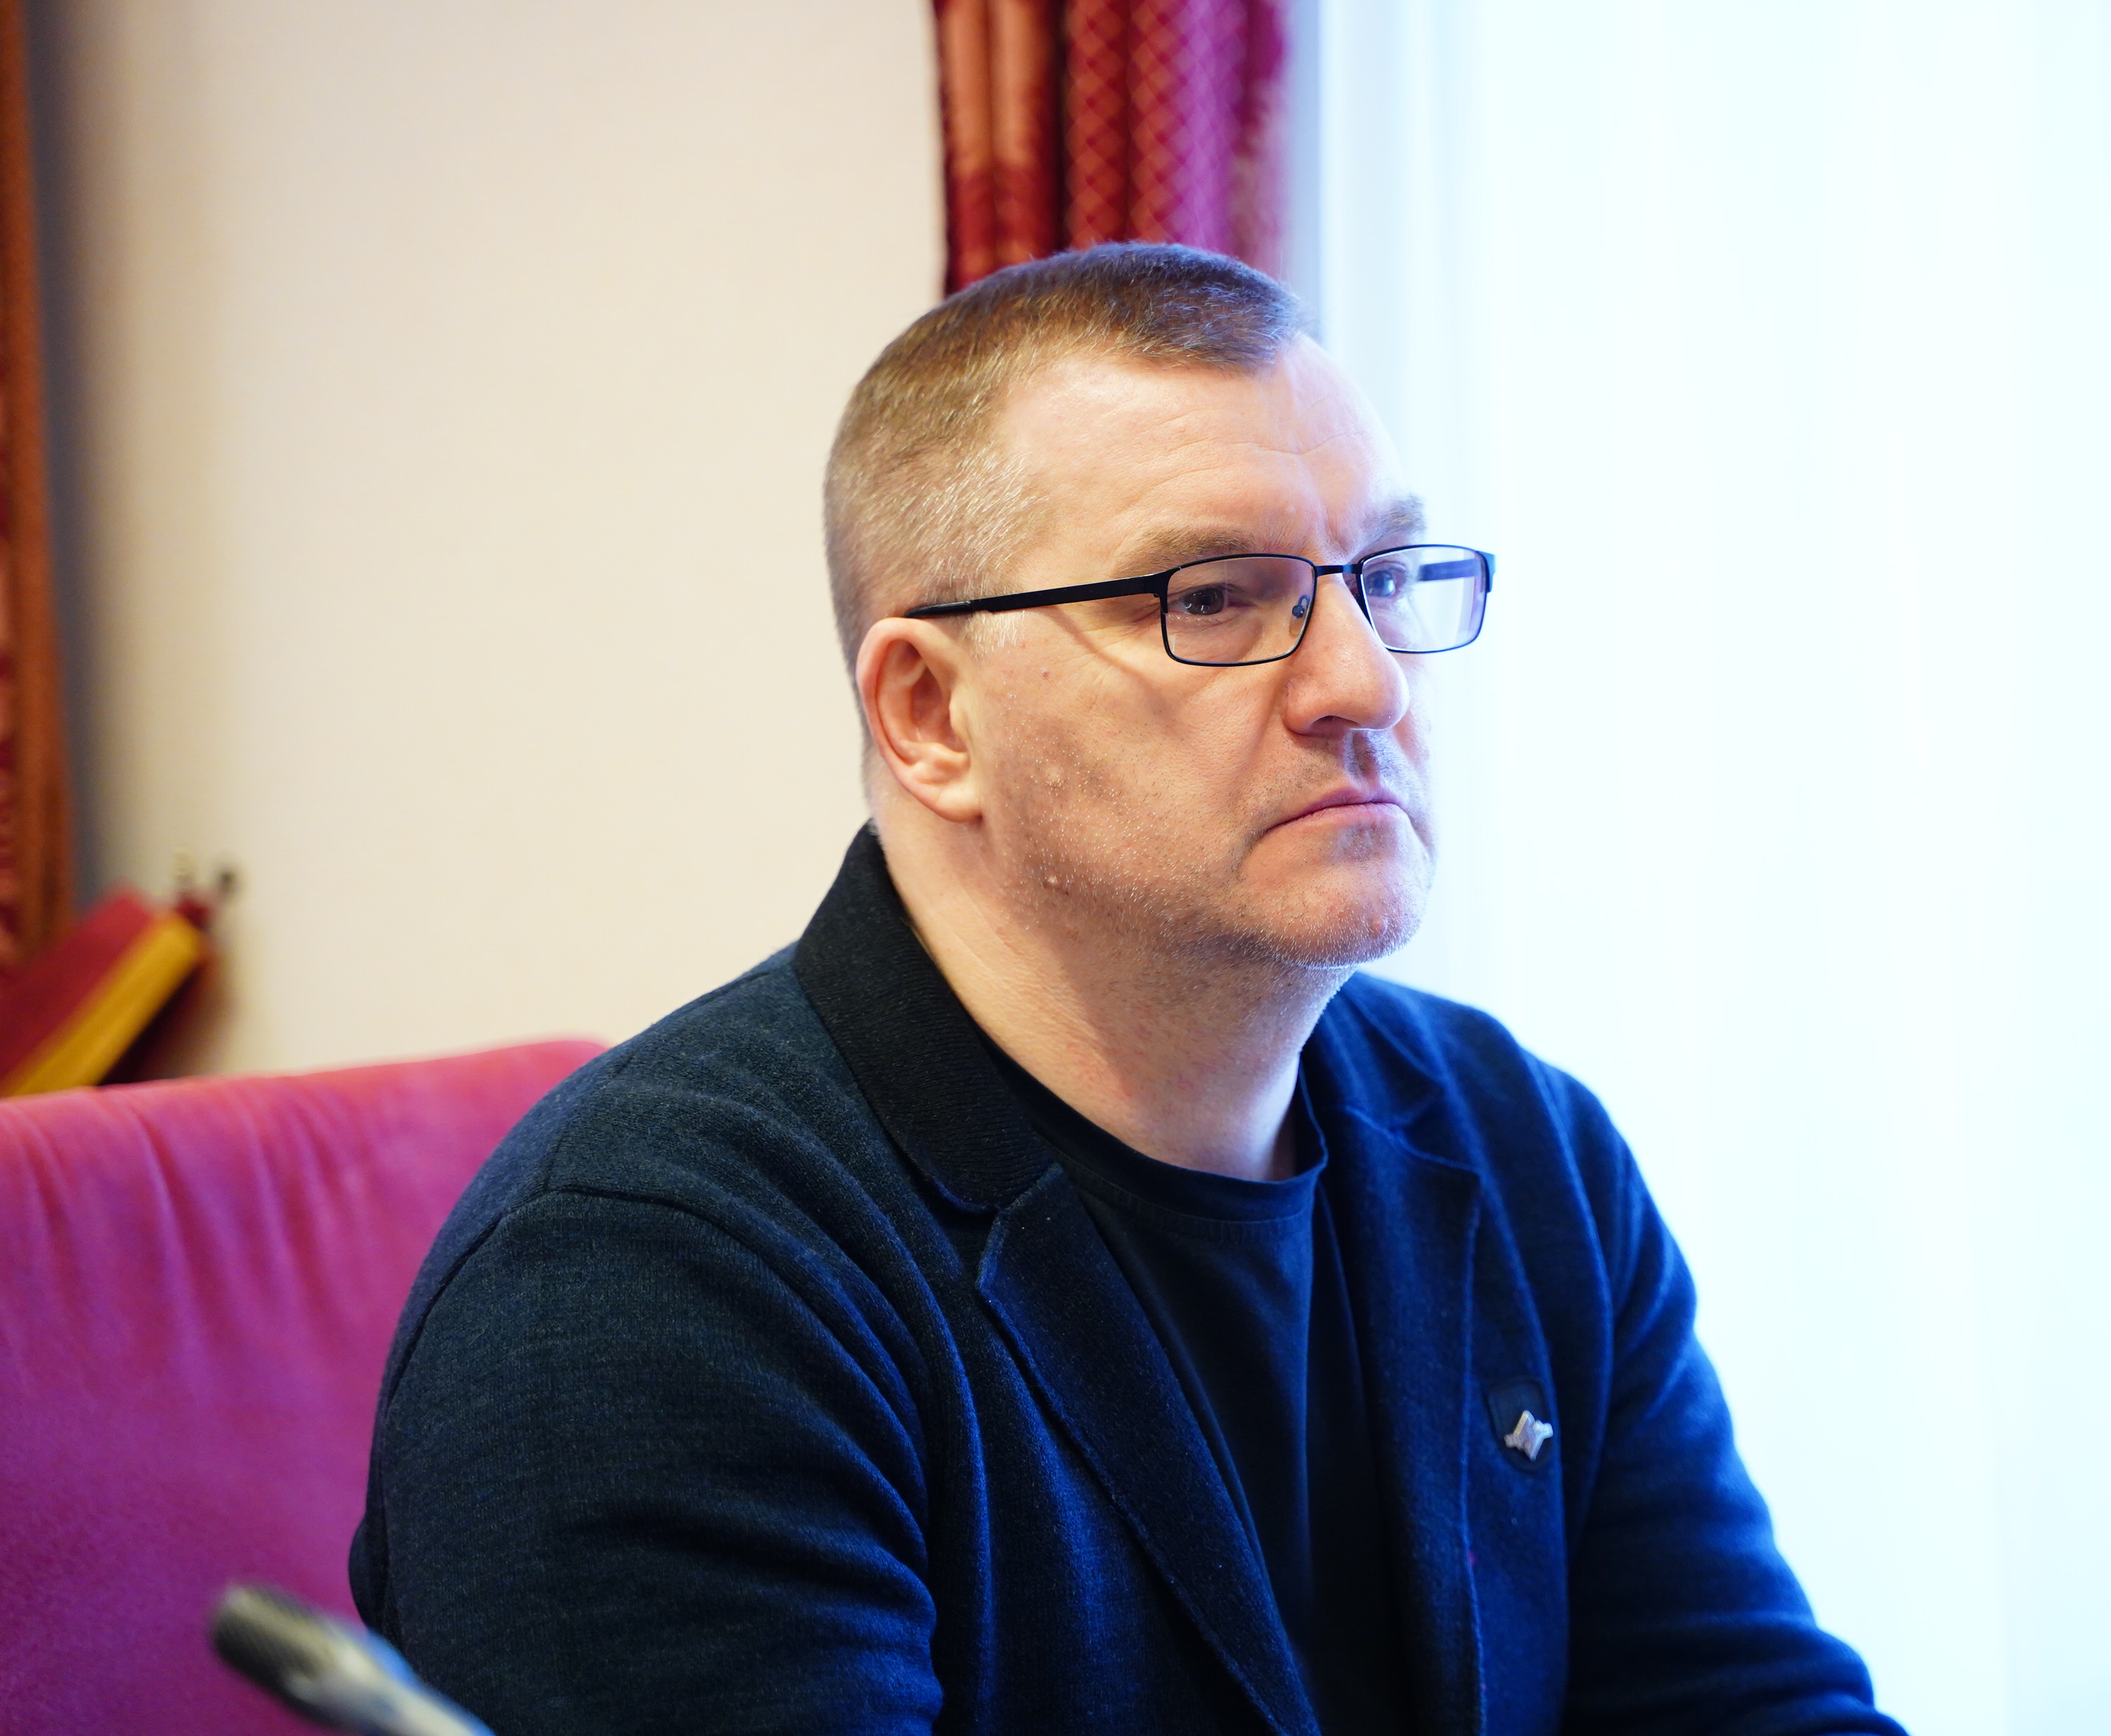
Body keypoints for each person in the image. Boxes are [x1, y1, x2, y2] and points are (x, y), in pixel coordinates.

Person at [349, 244, 1905, 1736]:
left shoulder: (1518, 1143)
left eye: (1385, 578)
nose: (1364, 681)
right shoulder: (642, 1288)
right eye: (1215, 597)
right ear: (930, 714)